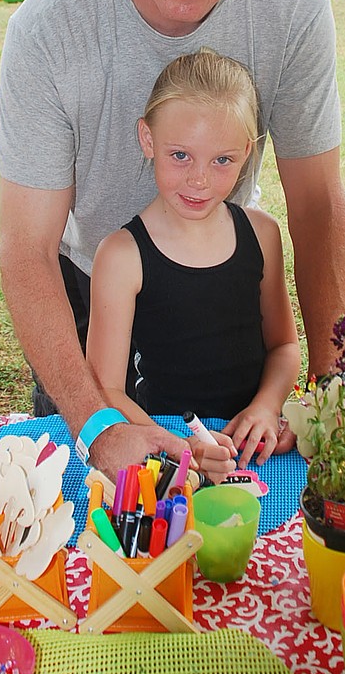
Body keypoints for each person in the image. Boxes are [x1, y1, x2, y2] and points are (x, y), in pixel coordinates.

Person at [0, 0, 345, 478]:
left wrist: (337, 389)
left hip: (220, 285)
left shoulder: (294, 8)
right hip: (87, 295)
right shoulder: (51, 26)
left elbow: (317, 207)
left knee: (236, 495)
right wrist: (97, 421)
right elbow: (27, 248)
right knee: (102, 511)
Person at [86, 49, 301, 478]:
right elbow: (104, 388)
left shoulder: (262, 235)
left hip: (256, 451)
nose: (199, 180)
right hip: (164, 447)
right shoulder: (121, 256)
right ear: (148, 139)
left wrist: (265, 405)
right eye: (180, 155)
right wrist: (181, 450)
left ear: (246, 152)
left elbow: (284, 347)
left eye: (222, 160)